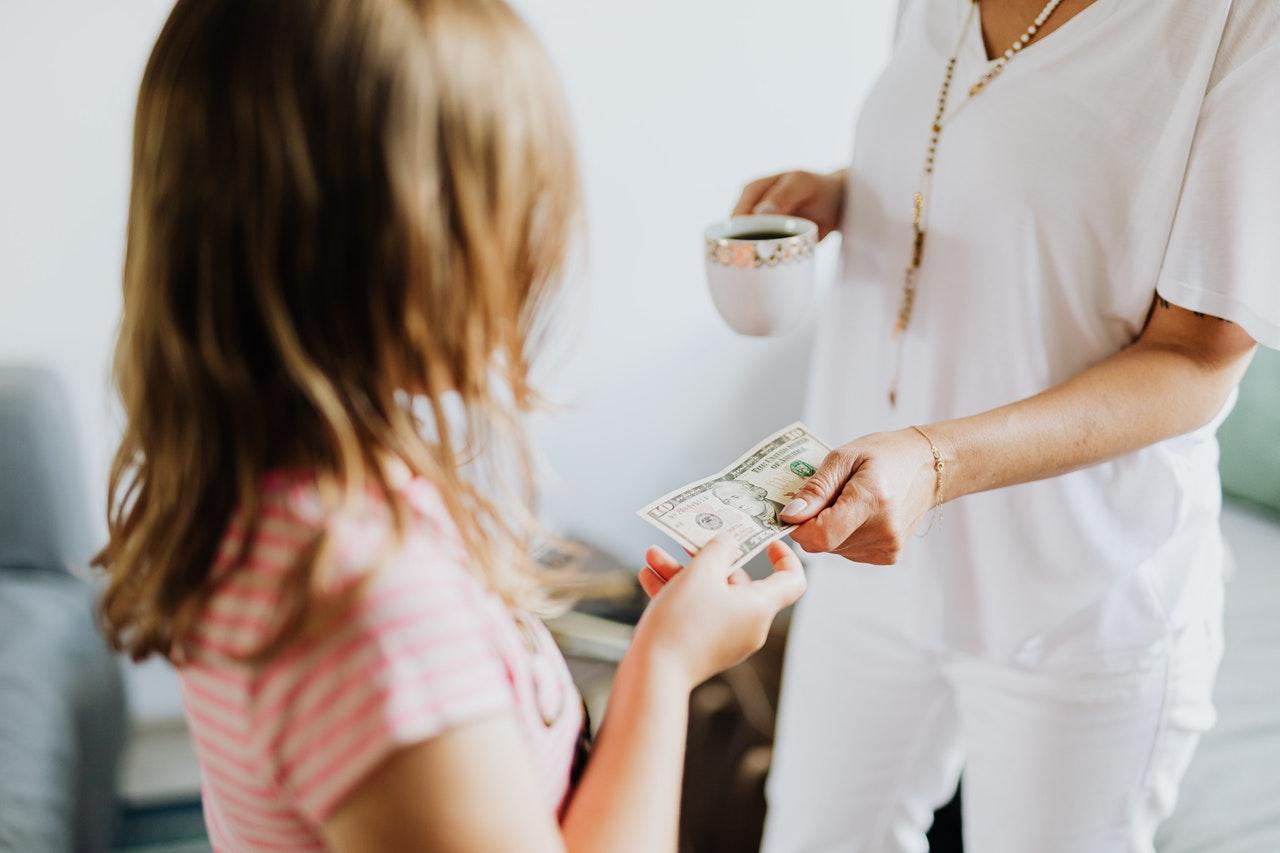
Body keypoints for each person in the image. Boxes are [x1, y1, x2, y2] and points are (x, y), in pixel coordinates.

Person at [92, 1, 806, 850]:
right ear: (382, 243)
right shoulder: (362, 600)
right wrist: (667, 667)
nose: (531, 252)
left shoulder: (261, 481)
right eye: (506, 210)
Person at [734, 0, 1280, 851]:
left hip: (1080, 595)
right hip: (872, 564)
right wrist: (848, 192)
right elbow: (1001, 153)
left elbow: (1198, 357)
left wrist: (935, 461)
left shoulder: (1238, 23)